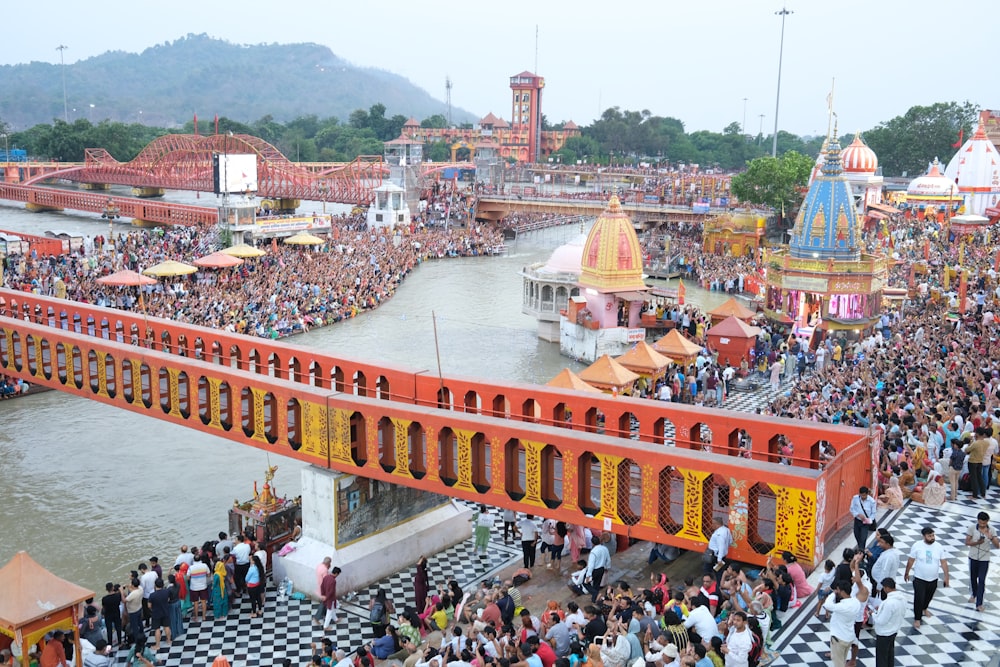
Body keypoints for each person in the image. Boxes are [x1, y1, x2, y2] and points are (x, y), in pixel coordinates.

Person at [822, 555, 868, 667]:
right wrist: (855, 562)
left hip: (839, 639)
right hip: (848, 637)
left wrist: (833, 593)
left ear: (841, 591)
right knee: (842, 660)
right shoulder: (856, 602)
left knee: (839, 664)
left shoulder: (842, 606)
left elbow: (827, 605)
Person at [903, 526, 949, 628]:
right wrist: (907, 572)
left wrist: (946, 577)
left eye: (933, 535)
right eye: (929, 536)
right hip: (920, 578)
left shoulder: (939, 546)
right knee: (919, 598)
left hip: (933, 578)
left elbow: (944, 562)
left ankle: (925, 608)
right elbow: (911, 560)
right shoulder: (917, 546)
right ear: (923, 536)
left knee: (929, 596)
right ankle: (917, 618)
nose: (932, 537)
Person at [965, 511, 1000, 612]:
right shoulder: (972, 528)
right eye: (980, 523)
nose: (982, 525)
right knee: (973, 578)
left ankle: (979, 603)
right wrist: (977, 542)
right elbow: (967, 542)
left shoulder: (992, 530)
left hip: (985, 558)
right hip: (973, 557)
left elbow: (997, 546)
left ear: (987, 522)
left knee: (981, 580)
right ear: (978, 521)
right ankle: (974, 594)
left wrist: (991, 538)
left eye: (984, 523)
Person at [872, 577, 906, 667]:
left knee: (882, 659)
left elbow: (881, 621)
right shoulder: (902, 599)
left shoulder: (889, 603)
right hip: (894, 631)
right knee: (890, 656)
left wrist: (873, 614)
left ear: (887, 588)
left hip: (884, 633)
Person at [584, 534, 611, 603]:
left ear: (592, 543)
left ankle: (595, 594)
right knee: (597, 584)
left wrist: (588, 575)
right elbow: (608, 559)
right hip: (601, 568)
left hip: (594, 570)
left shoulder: (593, 552)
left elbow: (591, 565)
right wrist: (607, 567)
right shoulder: (605, 548)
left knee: (585, 583)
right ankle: (594, 599)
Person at [148, 578, 171, 651]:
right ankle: (169, 640)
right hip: (165, 611)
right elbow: (168, 600)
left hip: (156, 613)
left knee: (157, 629)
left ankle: (157, 645)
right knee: (166, 626)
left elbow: (149, 606)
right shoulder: (166, 592)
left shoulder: (152, 595)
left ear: (155, 585)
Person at [187, 557, 211, 623]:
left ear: (193, 560)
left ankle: (196, 617)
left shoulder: (191, 567)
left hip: (194, 587)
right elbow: (208, 575)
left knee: (195, 603)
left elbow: (188, 578)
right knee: (204, 602)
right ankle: (204, 616)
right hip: (203, 586)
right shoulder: (204, 565)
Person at [101, 583, 124, 647]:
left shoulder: (104, 599)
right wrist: (121, 591)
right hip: (116, 613)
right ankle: (120, 642)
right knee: (118, 628)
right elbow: (122, 600)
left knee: (109, 630)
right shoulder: (117, 596)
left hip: (108, 615)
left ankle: (110, 644)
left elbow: (103, 607)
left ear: (106, 589)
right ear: (113, 588)